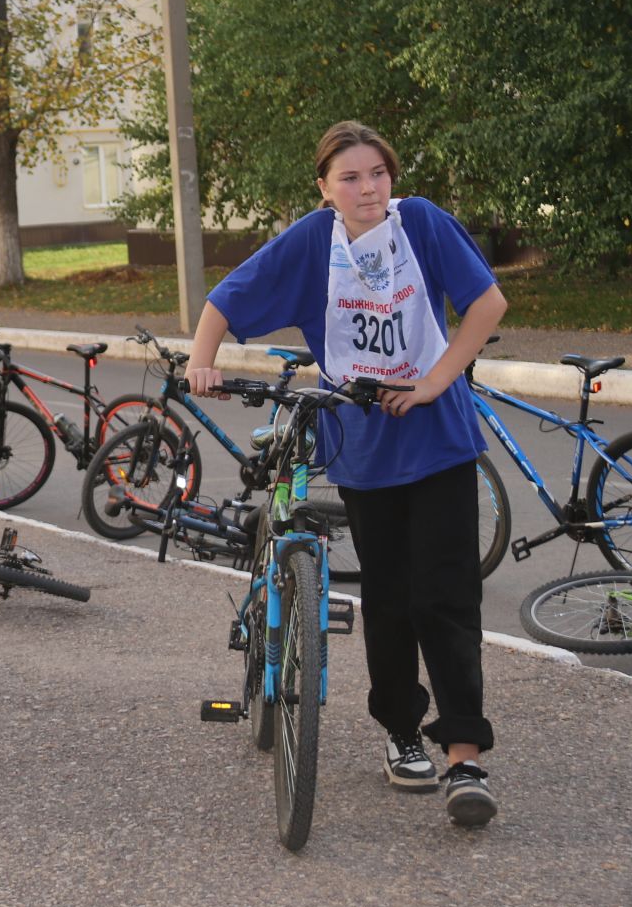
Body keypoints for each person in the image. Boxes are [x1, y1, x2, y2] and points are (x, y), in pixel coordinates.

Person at [185, 120, 508, 829]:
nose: (368, 189)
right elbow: (225, 302)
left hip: (442, 440)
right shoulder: (311, 241)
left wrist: (433, 381)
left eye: (378, 174)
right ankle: (400, 731)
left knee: (448, 599)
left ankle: (464, 756)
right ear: (325, 188)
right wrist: (201, 359)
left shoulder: (420, 223)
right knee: (392, 600)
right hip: (364, 449)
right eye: (351, 178)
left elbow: (488, 303)